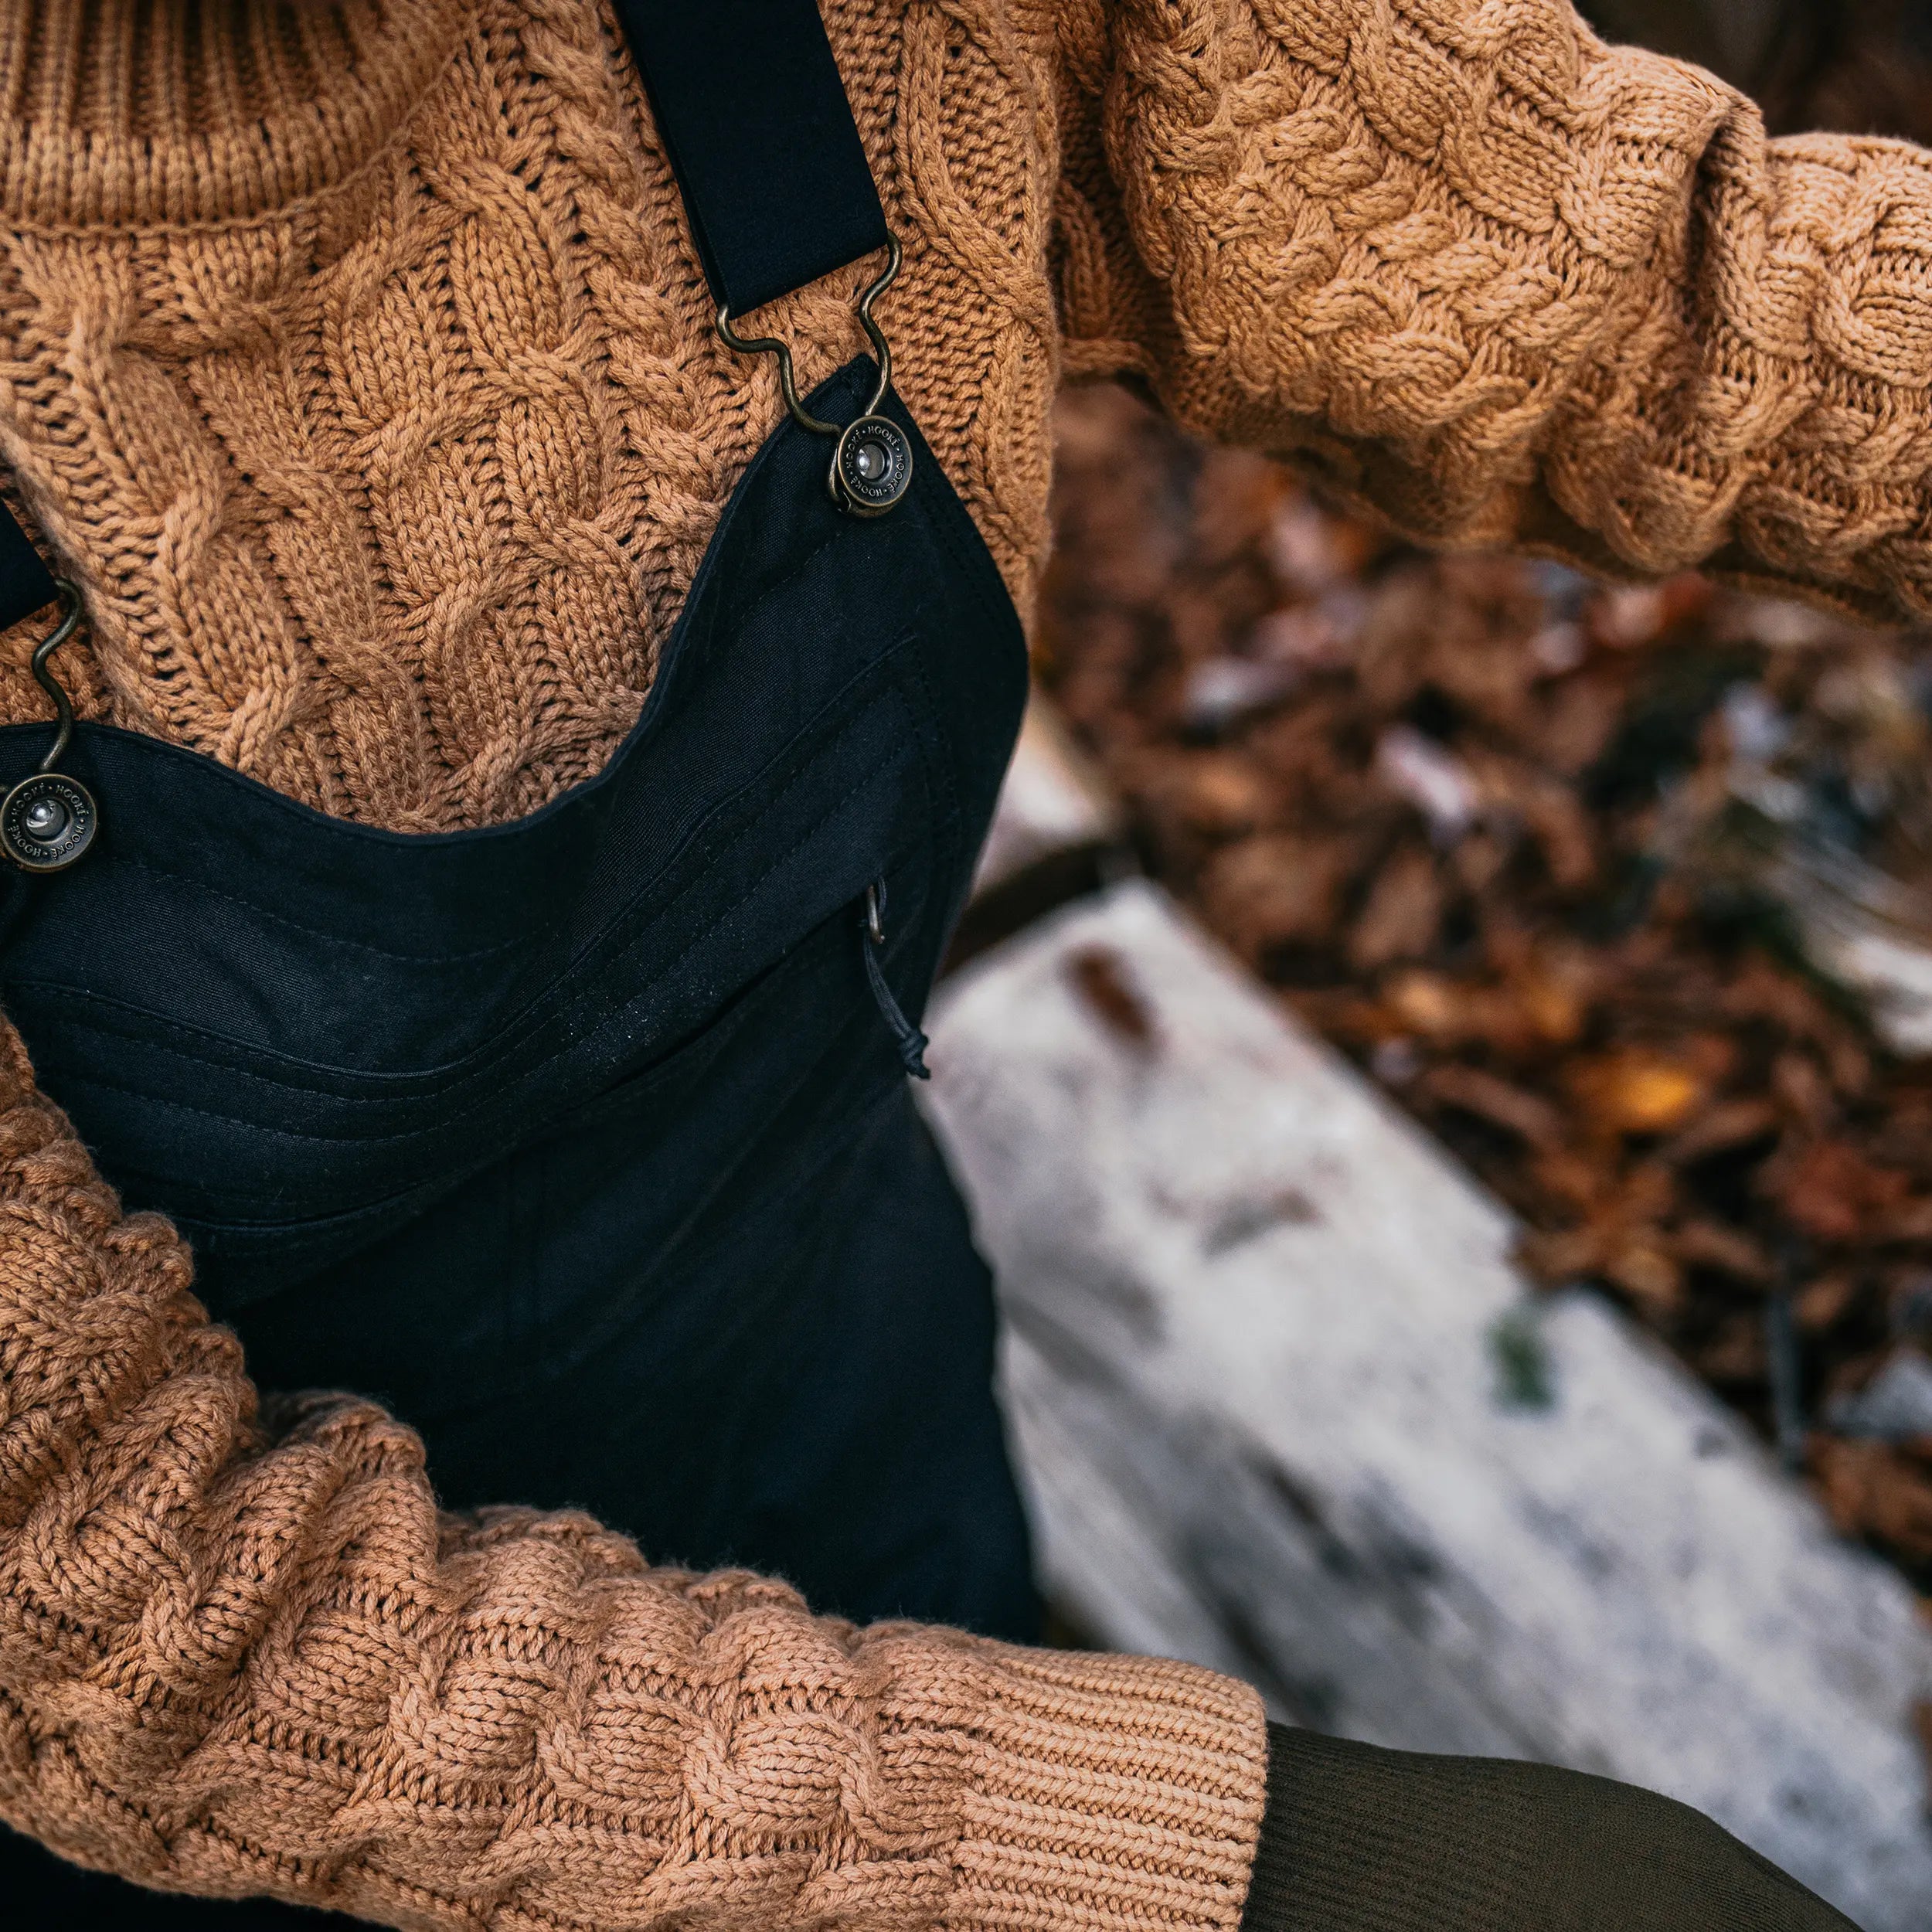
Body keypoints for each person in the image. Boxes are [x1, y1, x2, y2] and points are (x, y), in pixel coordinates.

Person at [0, 1, 1904, 1927]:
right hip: (271, 1827)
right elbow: (120, 1617)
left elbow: (1649, 288)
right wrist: (1244, 1864)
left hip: (852, 1447)